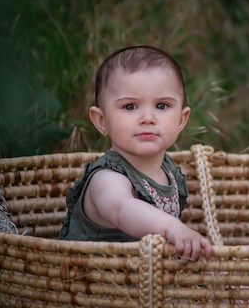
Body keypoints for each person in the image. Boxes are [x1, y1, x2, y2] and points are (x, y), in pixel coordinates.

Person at [59, 45, 213, 263]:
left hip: (142, 281)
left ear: (181, 120)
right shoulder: (107, 178)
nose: (148, 117)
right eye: (130, 107)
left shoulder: (169, 172)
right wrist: (173, 228)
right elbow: (123, 209)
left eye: (162, 105)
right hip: (93, 284)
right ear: (101, 121)